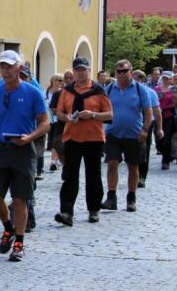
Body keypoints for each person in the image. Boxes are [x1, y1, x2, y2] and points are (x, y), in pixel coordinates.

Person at [0, 51, 49, 262]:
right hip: (1, 149)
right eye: (3, 67)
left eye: (9, 67)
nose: (6, 71)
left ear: (19, 68)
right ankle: (7, 227)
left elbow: (45, 123)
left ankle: (19, 242)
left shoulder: (32, 93)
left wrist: (30, 138)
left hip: (24, 151)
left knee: (20, 199)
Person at [54, 57, 112, 226]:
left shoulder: (98, 90)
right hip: (72, 137)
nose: (80, 73)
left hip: (93, 138)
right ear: (74, 72)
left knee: (93, 175)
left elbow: (109, 115)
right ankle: (66, 211)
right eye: (77, 70)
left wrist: (93, 115)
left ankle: (94, 209)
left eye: (83, 69)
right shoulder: (67, 90)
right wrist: (67, 118)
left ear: (89, 70)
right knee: (70, 175)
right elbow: (59, 112)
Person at [99, 60, 152, 212]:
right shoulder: (109, 89)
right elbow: (103, 109)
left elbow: (148, 111)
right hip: (113, 133)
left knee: (133, 166)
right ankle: (111, 196)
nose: (121, 74)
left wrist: (145, 130)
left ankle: (131, 197)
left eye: (125, 70)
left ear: (131, 71)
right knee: (112, 164)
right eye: (119, 71)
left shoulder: (140, 90)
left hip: (134, 134)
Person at [132, 70, 162, 188]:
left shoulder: (150, 92)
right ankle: (134, 174)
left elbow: (157, 112)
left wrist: (160, 128)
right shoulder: (128, 91)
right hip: (132, 124)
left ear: (141, 79)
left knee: (144, 150)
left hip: (146, 123)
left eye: (135, 78)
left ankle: (142, 176)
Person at [155, 72, 177, 169]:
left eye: (168, 78)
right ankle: (164, 154)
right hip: (157, 115)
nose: (166, 80)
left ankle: (166, 160)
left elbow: (175, 103)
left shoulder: (174, 89)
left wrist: (166, 108)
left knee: (167, 138)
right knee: (158, 140)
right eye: (164, 78)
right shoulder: (157, 89)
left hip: (169, 115)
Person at [44, 74, 64, 172]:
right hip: (47, 119)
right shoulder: (46, 92)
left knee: (54, 140)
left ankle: (53, 161)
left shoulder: (62, 93)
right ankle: (56, 159)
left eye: (61, 80)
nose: (60, 82)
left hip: (57, 120)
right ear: (52, 81)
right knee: (51, 140)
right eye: (58, 80)